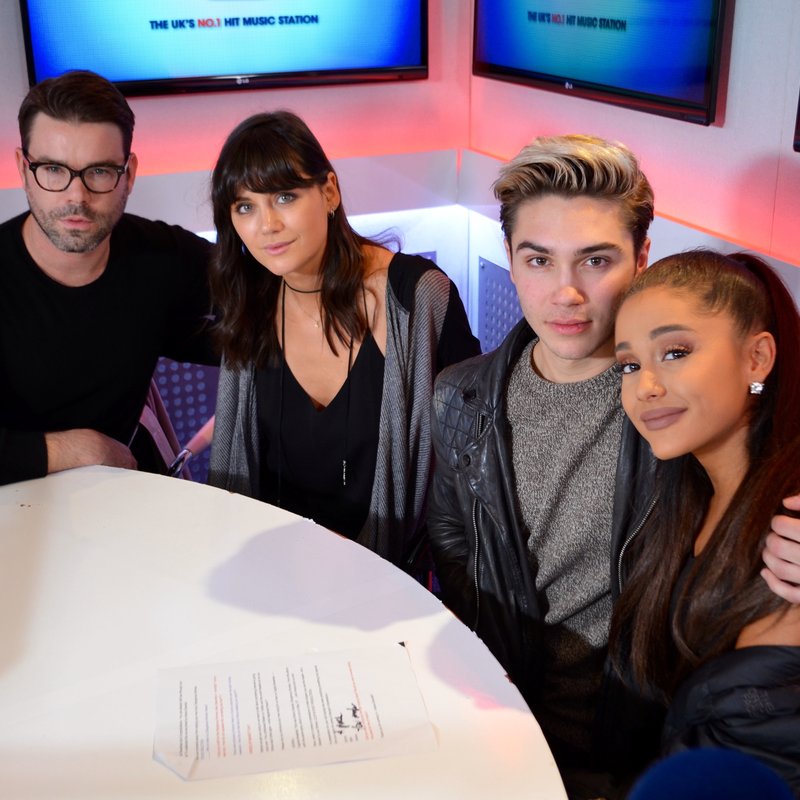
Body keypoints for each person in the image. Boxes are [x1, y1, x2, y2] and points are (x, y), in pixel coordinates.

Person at [427, 135, 800, 799]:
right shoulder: (459, 394)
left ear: (641, 260)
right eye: (538, 260)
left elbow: (768, 439)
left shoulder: (681, 409)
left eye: (595, 260)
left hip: (641, 751)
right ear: (511, 262)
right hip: (502, 730)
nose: (565, 292)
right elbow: (456, 556)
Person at [206, 111, 479, 569]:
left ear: (329, 191)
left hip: (388, 582)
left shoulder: (416, 298)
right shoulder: (248, 300)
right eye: (244, 207)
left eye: (284, 196)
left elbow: (469, 464)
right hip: (273, 570)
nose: (265, 224)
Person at [611, 249, 800, 792]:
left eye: (675, 351)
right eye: (629, 364)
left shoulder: (786, 541)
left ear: (757, 358)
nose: (644, 386)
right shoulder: (683, 494)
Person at [0, 70, 216, 485]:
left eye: (99, 171)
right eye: (52, 170)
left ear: (128, 174)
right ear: (23, 169)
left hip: (116, 504)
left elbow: (268, 300)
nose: (76, 196)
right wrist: (71, 448)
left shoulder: (161, 256)